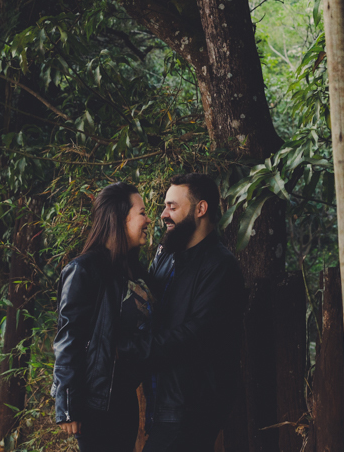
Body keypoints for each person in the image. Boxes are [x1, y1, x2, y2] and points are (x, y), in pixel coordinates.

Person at [141, 172, 245, 452]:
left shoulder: (221, 267)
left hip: (192, 409)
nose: (163, 214)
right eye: (165, 206)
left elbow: (196, 335)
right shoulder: (165, 255)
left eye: (172, 207)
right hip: (160, 403)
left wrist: (135, 348)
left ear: (201, 209)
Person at [53, 181, 154, 452]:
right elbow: (69, 338)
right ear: (122, 219)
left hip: (125, 401)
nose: (149, 219)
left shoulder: (135, 271)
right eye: (142, 212)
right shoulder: (84, 270)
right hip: (95, 406)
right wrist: (67, 407)